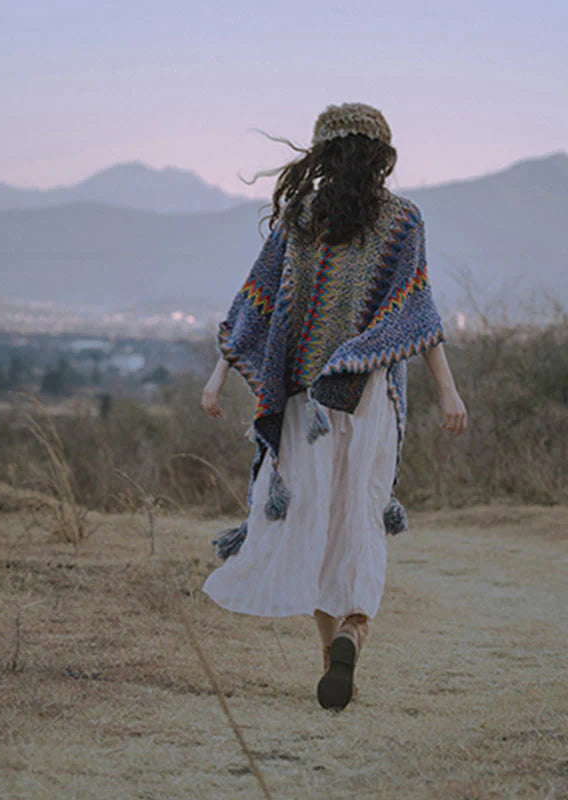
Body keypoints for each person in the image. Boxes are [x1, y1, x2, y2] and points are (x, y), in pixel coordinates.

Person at [199, 103, 467, 711]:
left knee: (315, 521)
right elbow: (415, 310)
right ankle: (352, 631)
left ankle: (329, 655)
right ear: (381, 156)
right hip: (366, 396)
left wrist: (217, 377)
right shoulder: (403, 220)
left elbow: (255, 303)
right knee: (358, 518)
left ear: (321, 153)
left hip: (304, 401)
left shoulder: (299, 216)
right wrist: (448, 391)